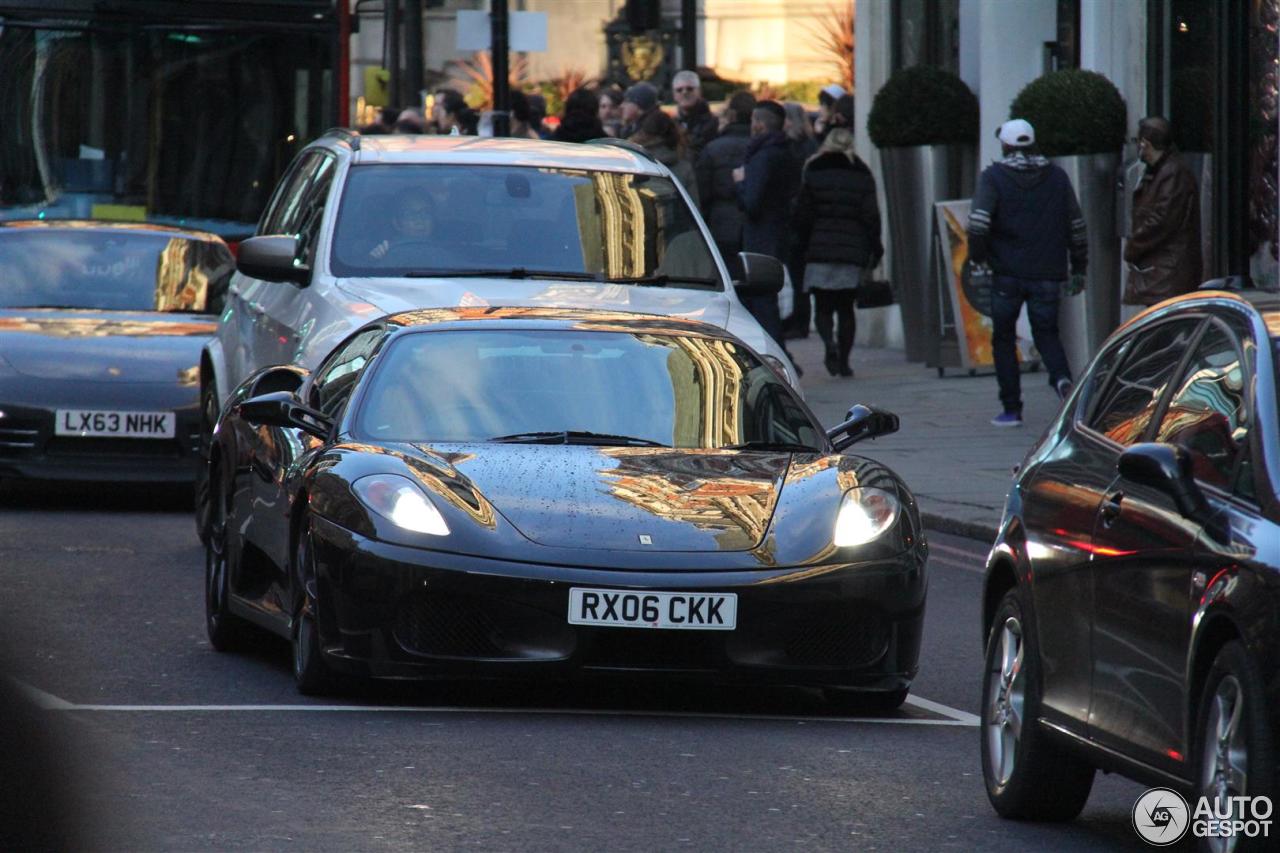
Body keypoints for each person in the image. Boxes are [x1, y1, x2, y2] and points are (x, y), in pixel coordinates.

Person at [967, 118, 1088, 428]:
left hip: (1006, 272)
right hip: (1048, 271)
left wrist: (978, 258)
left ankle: (1011, 409)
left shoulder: (994, 177)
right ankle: (1062, 381)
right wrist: (1079, 267)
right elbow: (1077, 225)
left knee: (1004, 338)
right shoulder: (1057, 177)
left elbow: (979, 223)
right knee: (1047, 333)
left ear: (1005, 146)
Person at [791, 127, 882, 377]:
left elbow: (803, 213)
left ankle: (828, 344)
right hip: (852, 249)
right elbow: (871, 215)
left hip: (820, 248)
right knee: (846, 308)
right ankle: (844, 362)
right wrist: (875, 247)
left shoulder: (813, 169)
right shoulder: (861, 172)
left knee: (822, 307)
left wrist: (802, 242)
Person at [732, 99, 797, 346]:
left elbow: (752, 203)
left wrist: (740, 181)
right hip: (779, 233)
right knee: (769, 301)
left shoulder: (762, 157)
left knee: (763, 302)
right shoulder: (786, 152)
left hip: (761, 238)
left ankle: (774, 354)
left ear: (758, 124)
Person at [1123, 115, 1202, 306]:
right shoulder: (1161, 171)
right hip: (1162, 272)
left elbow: (1161, 220)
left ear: (1146, 143)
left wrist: (1133, 247)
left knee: (1163, 328)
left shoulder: (1172, 173)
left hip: (1167, 274)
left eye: (1138, 141)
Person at [695, 91, 756, 279]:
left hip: (721, 221)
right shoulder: (761, 147)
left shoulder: (714, 148)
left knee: (726, 278)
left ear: (732, 115)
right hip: (753, 222)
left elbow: (702, 191)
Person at [781, 101, 819, 339]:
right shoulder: (811, 145)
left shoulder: (792, 147)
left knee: (796, 273)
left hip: (796, 216)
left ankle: (799, 320)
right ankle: (800, 318)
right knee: (800, 273)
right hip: (808, 216)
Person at [629, 109, 699, 206]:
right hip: (675, 220)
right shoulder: (684, 165)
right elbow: (693, 206)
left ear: (642, 132)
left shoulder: (631, 161)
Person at [368, 189, 436, 261]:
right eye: (410, 214)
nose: (420, 221)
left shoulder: (446, 249)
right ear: (397, 223)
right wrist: (373, 259)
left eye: (425, 213)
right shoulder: (385, 251)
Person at [671, 70, 719, 160]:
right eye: (679, 90)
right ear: (674, 95)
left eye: (690, 89)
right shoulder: (670, 124)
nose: (684, 92)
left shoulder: (714, 122)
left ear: (699, 91)